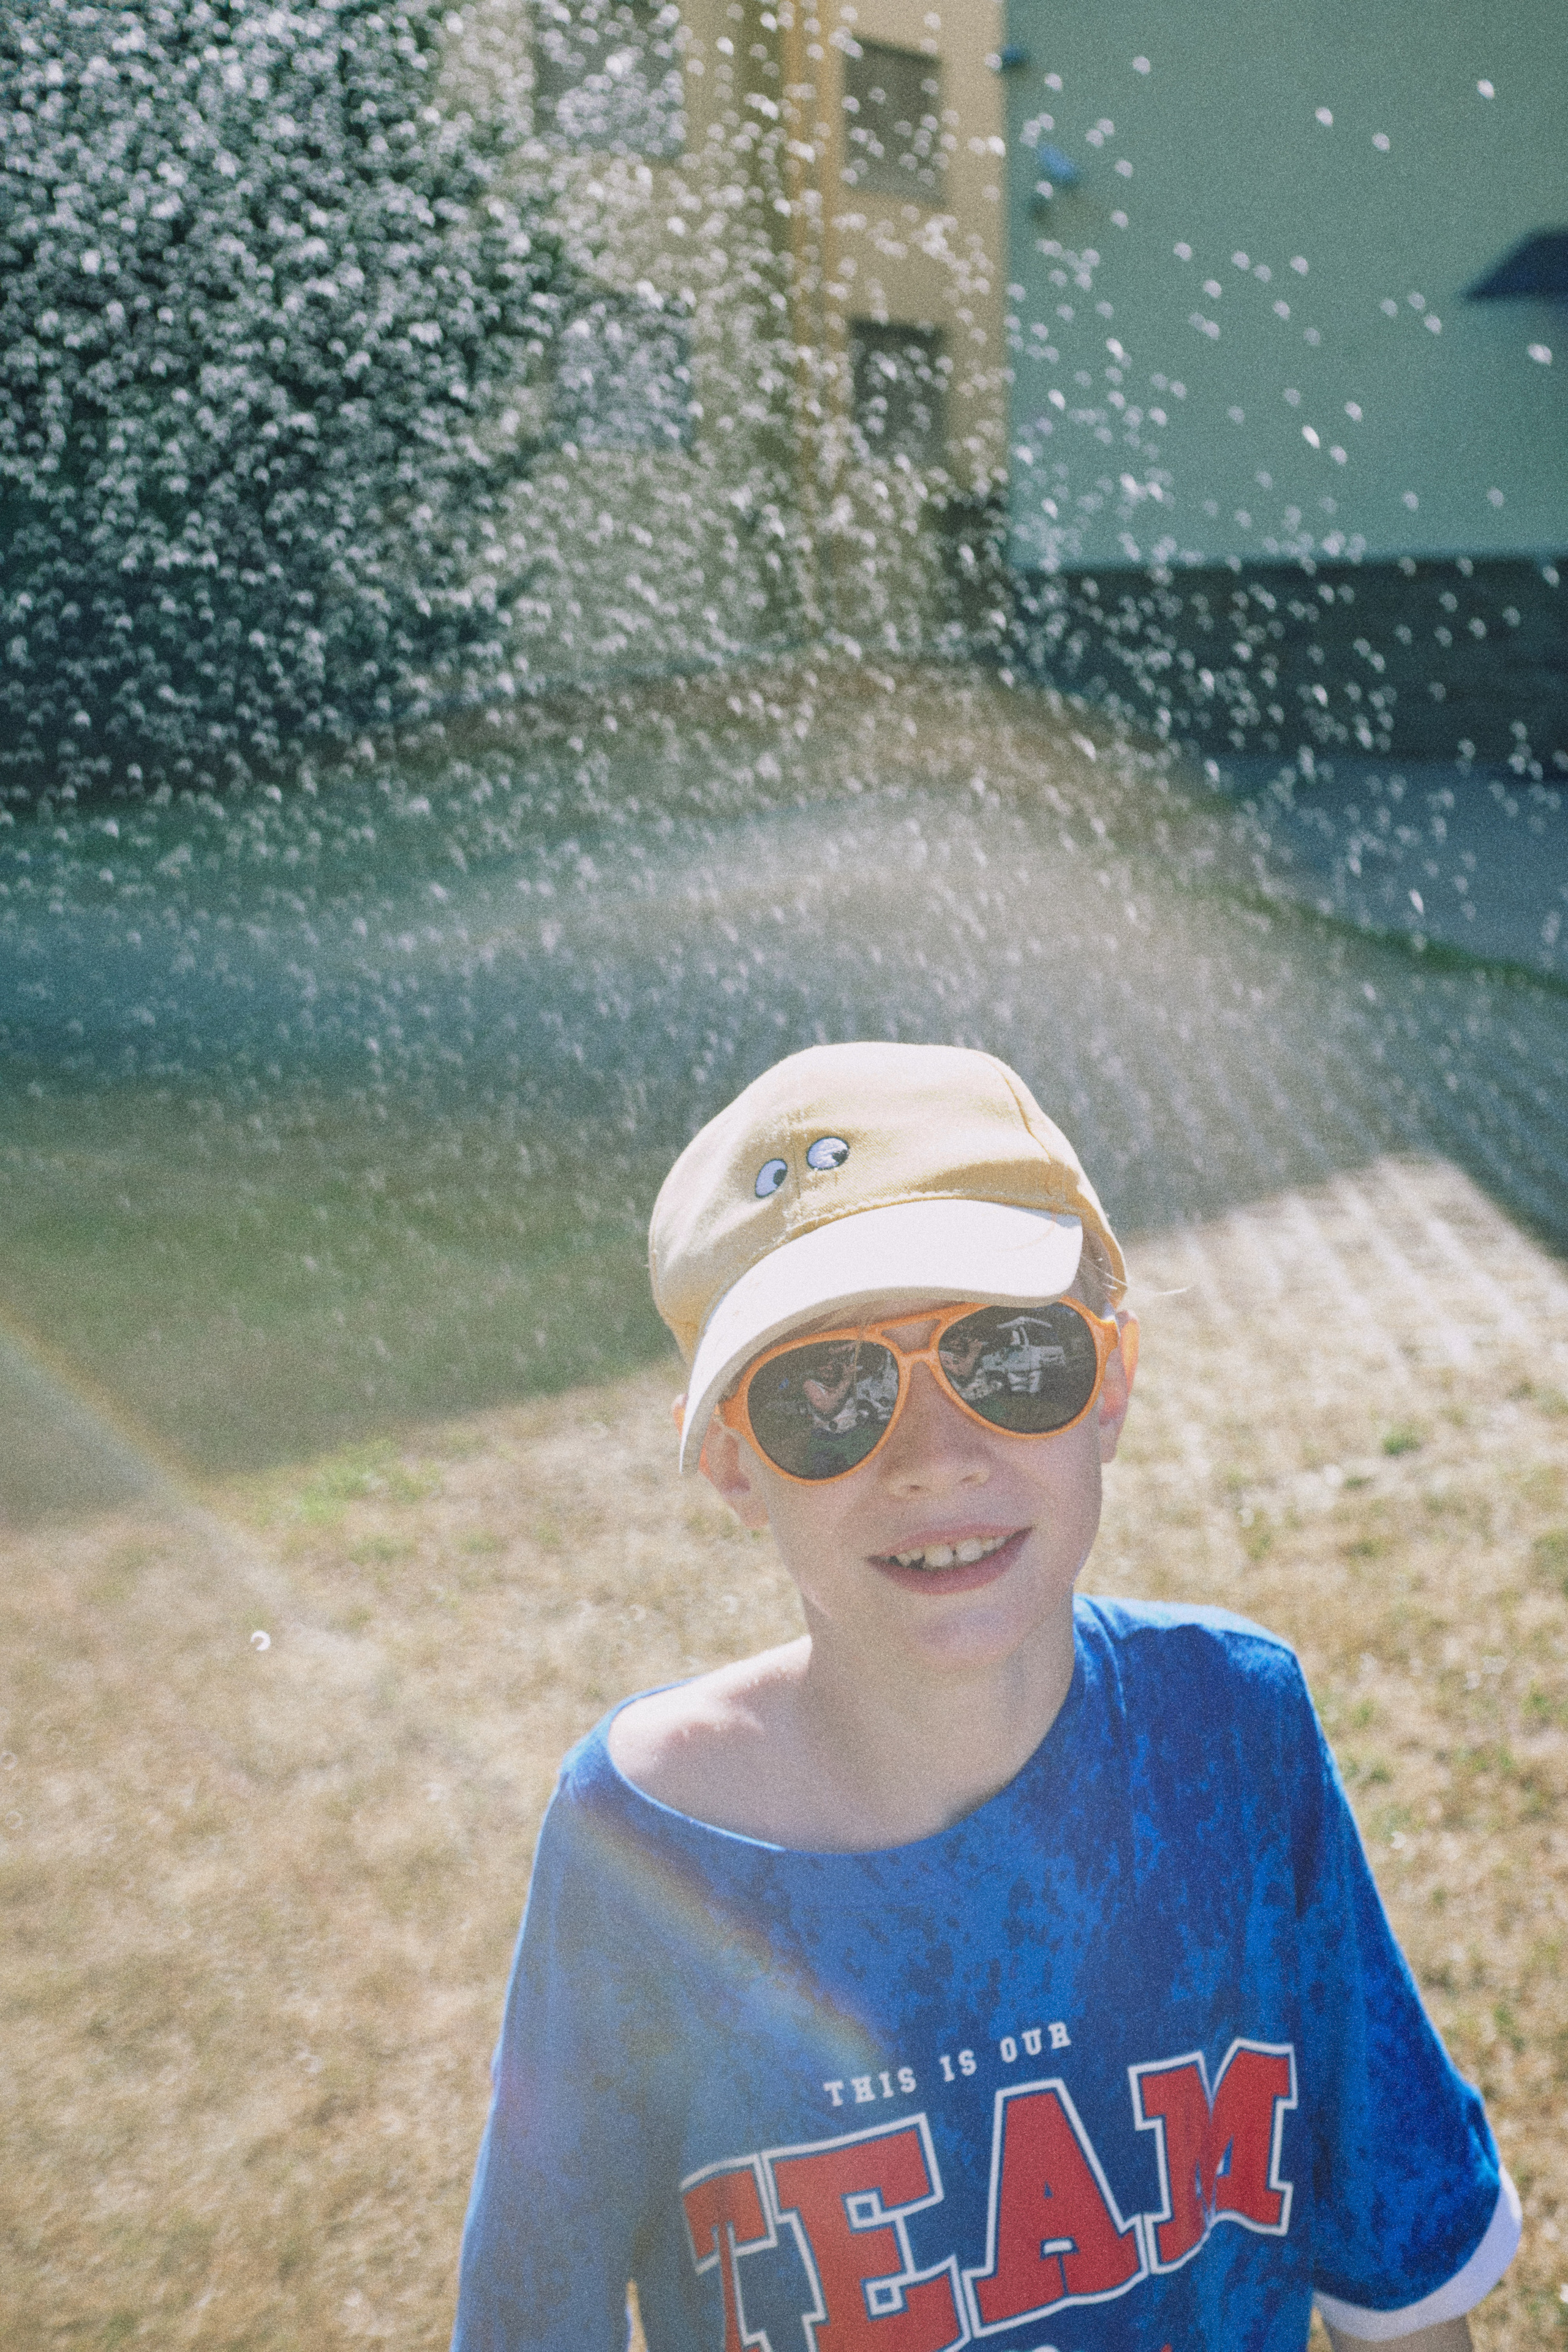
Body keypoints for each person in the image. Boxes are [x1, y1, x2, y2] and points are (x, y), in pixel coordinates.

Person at [451, 1041, 1519, 2352]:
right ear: (732, 1461)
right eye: (824, 1395)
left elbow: (1394, 2261)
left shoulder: (1231, 1730)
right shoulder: (636, 1841)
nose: (931, 1455)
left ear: (1109, 1382)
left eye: (1008, 1359)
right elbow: (529, 2315)